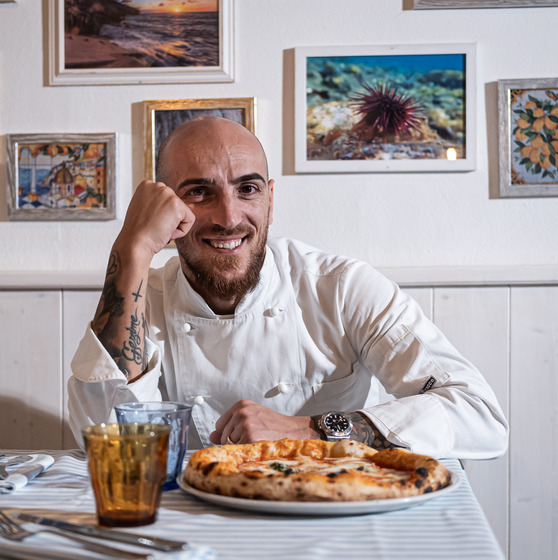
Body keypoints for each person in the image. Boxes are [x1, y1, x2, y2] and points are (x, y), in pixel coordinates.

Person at [68, 116, 508, 459]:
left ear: (270, 200)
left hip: (332, 510)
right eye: (200, 192)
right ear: (167, 206)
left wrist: (308, 430)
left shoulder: (340, 288)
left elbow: (478, 414)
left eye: (248, 189)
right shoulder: (147, 299)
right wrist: (133, 247)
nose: (229, 216)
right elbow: (111, 445)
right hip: (195, 523)